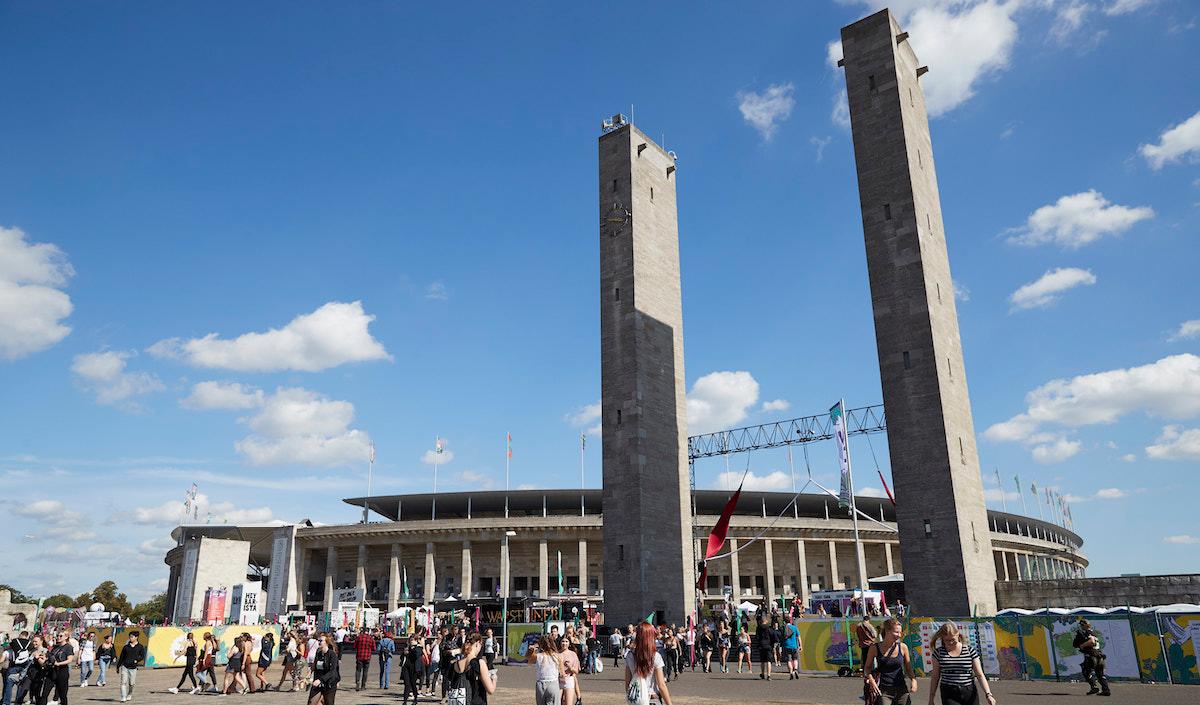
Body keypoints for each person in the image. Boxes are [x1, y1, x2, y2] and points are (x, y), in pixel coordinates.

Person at [927, 622, 994, 705]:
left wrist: (988, 694)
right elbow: (935, 677)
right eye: (947, 640)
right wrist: (931, 698)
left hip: (968, 690)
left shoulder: (970, 651)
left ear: (958, 635)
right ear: (942, 638)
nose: (950, 642)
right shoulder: (938, 653)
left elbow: (980, 675)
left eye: (953, 640)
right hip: (949, 692)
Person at [863, 619, 917, 705]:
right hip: (883, 691)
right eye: (896, 632)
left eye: (900, 632)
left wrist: (914, 680)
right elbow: (867, 667)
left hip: (902, 690)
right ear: (887, 631)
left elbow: (908, 668)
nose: (899, 635)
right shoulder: (874, 648)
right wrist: (872, 681)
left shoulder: (903, 647)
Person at [624, 622, 672, 705]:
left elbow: (628, 682)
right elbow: (661, 685)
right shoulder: (655, 656)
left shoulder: (630, 655)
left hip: (637, 699)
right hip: (652, 698)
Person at [1073, 619, 1110, 697]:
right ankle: (1106, 690)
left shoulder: (1088, 633)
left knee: (1086, 671)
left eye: (1082, 625)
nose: (1081, 627)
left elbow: (1092, 642)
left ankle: (1094, 687)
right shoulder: (1093, 633)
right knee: (1100, 674)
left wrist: (1082, 645)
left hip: (1092, 656)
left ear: (1085, 625)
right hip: (1099, 656)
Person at [454, 634, 495, 705]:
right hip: (476, 701)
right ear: (477, 643)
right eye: (481, 644)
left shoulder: (456, 664)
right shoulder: (479, 663)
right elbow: (490, 690)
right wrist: (494, 679)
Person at [526, 635, 562, 705]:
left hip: (541, 684)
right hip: (553, 683)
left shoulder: (538, 656)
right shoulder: (557, 656)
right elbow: (562, 673)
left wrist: (531, 650)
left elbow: (528, 658)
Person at [3, 630, 34, 705]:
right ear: (27, 636)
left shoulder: (15, 641)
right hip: (24, 667)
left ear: (20, 634)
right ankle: (18, 702)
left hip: (14, 665)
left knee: (9, 685)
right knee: (20, 685)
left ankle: (7, 702)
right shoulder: (30, 643)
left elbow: (8, 647)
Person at [308, 635, 341, 705]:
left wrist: (320, 680)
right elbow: (314, 667)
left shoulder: (332, 654)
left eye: (321, 641)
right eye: (318, 640)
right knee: (311, 702)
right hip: (318, 683)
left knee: (328, 703)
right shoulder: (318, 653)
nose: (319, 642)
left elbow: (333, 671)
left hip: (329, 683)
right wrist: (308, 676)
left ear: (326, 643)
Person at [116, 631, 145, 703]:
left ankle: (130, 694)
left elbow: (142, 656)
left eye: (132, 637)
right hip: (125, 666)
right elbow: (121, 657)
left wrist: (136, 660)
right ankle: (123, 696)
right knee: (123, 682)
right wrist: (118, 666)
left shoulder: (140, 647)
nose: (130, 638)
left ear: (136, 637)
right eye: (130, 636)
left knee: (131, 684)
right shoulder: (126, 647)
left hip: (133, 668)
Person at [47, 632, 74, 705]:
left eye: (61, 636)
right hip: (53, 670)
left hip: (62, 671)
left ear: (66, 637)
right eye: (57, 635)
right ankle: (53, 700)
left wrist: (58, 663)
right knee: (45, 692)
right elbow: (51, 656)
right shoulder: (56, 647)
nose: (58, 637)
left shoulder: (68, 647)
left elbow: (70, 660)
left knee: (62, 693)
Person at [400, 631, 424, 705]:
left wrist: (412, 649)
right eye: (410, 640)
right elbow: (401, 657)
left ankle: (415, 699)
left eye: (412, 640)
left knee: (413, 684)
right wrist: (404, 653)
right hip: (406, 667)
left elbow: (417, 655)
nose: (411, 642)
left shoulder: (418, 648)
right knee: (407, 684)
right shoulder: (407, 647)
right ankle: (405, 701)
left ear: (416, 640)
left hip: (415, 668)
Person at [557, 636, 581, 705]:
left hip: (569, 680)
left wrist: (570, 668)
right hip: (558, 680)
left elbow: (576, 671)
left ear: (569, 643)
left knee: (568, 703)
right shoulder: (557, 654)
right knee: (557, 702)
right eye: (563, 641)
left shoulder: (573, 654)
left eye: (566, 641)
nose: (564, 643)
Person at [755, 616, 774, 680]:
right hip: (768, 645)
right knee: (769, 661)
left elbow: (757, 637)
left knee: (762, 661)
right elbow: (772, 636)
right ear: (765, 621)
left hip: (761, 645)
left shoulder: (758, 628)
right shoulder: (769, 628)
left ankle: (762, 674)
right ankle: (768, 675)